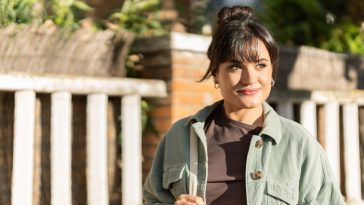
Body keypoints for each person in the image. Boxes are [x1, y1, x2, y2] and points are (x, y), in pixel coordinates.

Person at [143, 5, 345, 205]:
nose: (250, 78)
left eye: (260, 65)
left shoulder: (298, 143)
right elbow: (152, 199)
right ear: (215, 74)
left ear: (271, 73)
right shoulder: (180, 136)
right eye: (235, 66)